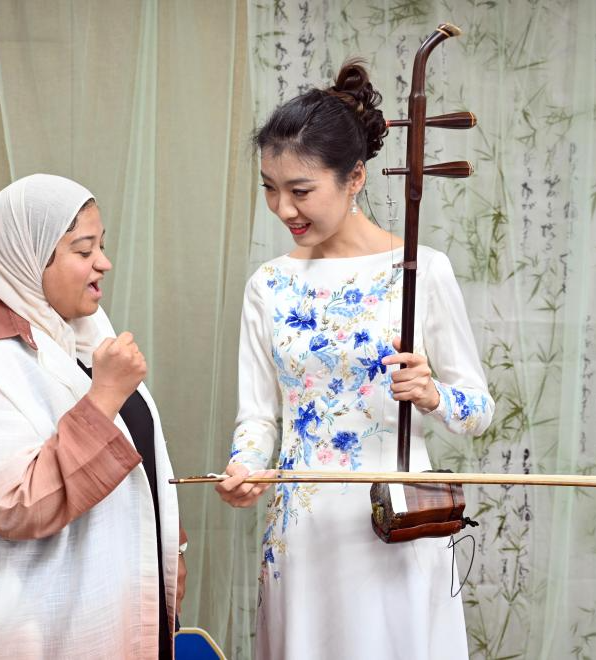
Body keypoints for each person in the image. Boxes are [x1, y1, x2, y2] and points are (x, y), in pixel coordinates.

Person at [215, 59, 494, 659]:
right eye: (270, 188)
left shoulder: (422, 270)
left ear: (356, 177)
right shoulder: (269, 284)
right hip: (303, 532)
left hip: (395, 525)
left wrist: (433, 395)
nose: (283, 208)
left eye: (301, 191)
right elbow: (258, 415)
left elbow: (478, 410)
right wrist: (246, 466)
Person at [0, 174, 185, 659]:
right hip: (19, 629)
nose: (104, 262)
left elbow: (134, 448)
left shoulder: (74, 326)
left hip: (100, 607)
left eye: (102, 245)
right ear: (28, 257)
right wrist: (105, 396)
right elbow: (15, 504)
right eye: (84, 250)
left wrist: (168, 544)